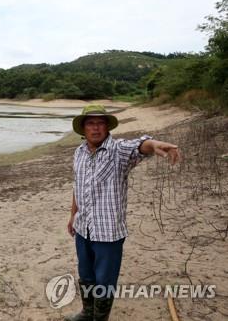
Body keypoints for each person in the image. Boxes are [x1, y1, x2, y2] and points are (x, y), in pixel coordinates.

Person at [65, 104, 180, 321]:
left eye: (101, 123)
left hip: (108, 232)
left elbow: (139, 146)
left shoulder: (119, 151)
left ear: (107, 127)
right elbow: (77, 187)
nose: (96, 128)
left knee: (104, 280)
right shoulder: (78, 153)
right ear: (83, 128)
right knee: (87, 275)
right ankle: (87, 313)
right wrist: (73, 215)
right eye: (91, 123)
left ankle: (100, 318)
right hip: (82, 227)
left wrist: (153, 144)